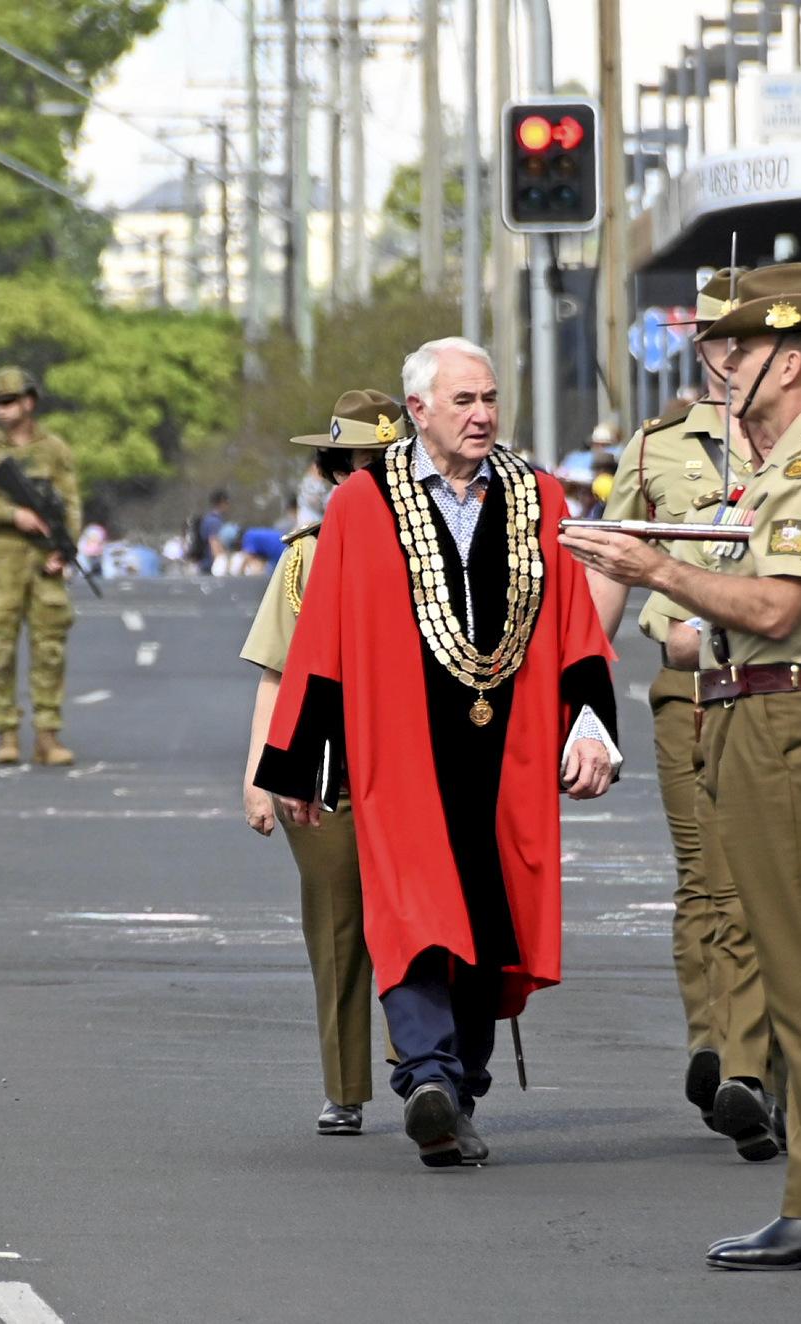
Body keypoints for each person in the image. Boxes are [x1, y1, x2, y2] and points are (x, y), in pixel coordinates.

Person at [563, 262, 801, 1272]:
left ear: (793, 361)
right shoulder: (793, 457)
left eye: (745, 349)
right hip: (765, 716)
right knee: (797, 960)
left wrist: (653, 570)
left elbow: (775, 607)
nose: (724, 365)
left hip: (791, 718)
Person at [253, 337, 616, 1172]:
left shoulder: (538, 498)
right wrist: (303, 761)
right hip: (400, 753)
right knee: (411, 915)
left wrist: (590, 724)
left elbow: (574, 628)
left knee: (493, 929)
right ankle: (426, 1075)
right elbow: (323, 641)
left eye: (489, 398)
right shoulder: (363, 506)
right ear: (417, 411)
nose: (483, 414)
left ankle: (460, 1092)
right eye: (464, 401)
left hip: (513, 756)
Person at [588, 268, 768, 1139]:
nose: (736, 358)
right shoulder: (658, 445)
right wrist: (577, 697)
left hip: (780, 686)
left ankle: (749, 1063)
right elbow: (612, 571)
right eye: (722, 340)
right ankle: (717, 1047)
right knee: (704, 880)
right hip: (686, 688)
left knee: (756, 884)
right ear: (702, 348)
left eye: (752, 340)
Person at [240, 389, 404, 1138]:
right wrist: (258, 775)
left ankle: (425, 1066)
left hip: (408, 768)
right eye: (353, 467)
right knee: (338, 929)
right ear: (334, 470)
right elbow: (274, 673)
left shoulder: (430, 550)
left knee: (414, 923)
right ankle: (346, 1087)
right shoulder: (303, 558)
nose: (363, 481)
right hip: (323, 769)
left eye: (381, 467)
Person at [0, 366, 83, 768]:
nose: (2, 410)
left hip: (44, 558)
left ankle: (47, 735)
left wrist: (64, 548)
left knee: (49, 647)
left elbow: (70, 503)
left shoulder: (54, 450)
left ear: (29, 402)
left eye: (9, 401)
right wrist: (14, 514)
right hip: (5, 555)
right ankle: (6, 732)